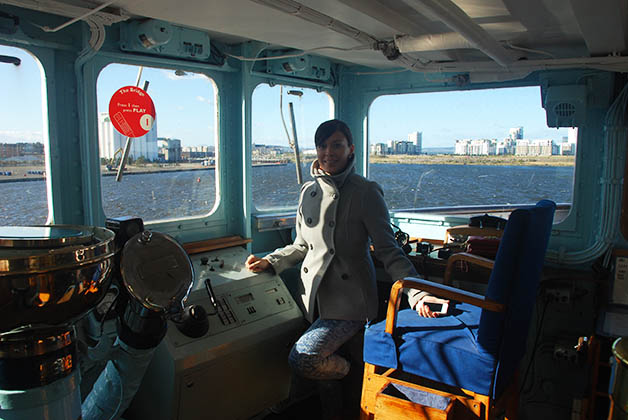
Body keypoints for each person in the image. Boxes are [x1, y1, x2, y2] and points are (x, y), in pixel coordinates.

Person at [245, 119, 444, 419]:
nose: (328, 152)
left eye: (336, 145)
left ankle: (357, 373)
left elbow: (390, 251)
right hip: (314, 300)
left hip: (351, 303)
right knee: (327, 386)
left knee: (305, 358)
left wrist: (416, 293)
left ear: (351, 149)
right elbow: (300, 246)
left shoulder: (365, 192)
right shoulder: (307, 193)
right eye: (322, 146)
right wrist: (271, 261)